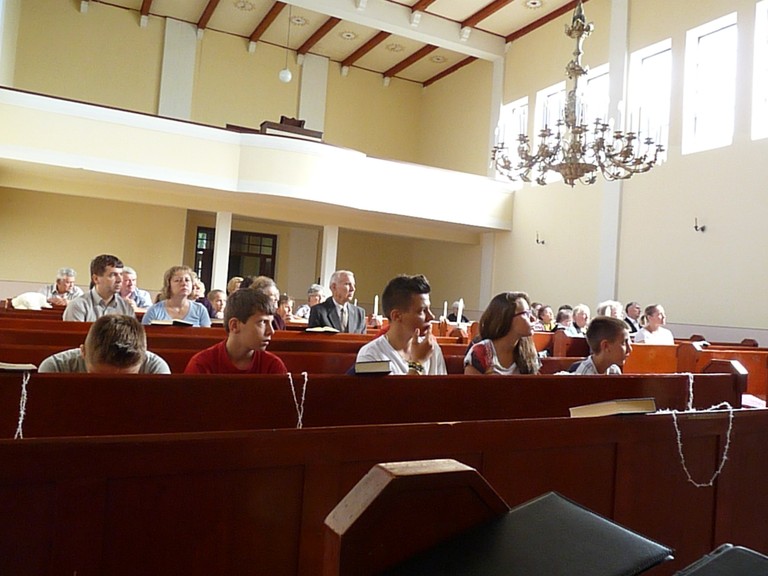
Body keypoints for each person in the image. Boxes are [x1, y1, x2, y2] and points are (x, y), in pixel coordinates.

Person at [356, 274, 446, 374]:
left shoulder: (431, 348)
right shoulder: (371, 355)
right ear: (396, 316)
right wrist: (417, 363)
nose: (431, 316)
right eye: (422, 311)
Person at [184, 288, 287, 374]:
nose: (271, 331)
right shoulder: (202, 365)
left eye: (271, 322)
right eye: (262, 322)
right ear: (234, 325)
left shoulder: (273, 366)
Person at [39, 314, 170, 373]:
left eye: (126, 381)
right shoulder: (55, 368)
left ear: (143, 358)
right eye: (99, 378)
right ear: (83, 352)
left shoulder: (155, 368)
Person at [464, 291, 540, 375]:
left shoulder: (527, 349)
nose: (533, 318)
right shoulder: (481, 352)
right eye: (526, 313)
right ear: (506, 318)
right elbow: (471, 383)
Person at [63, 254, 135, 321]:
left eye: (121, 274)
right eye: (113, 275)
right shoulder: (78, 306)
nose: (119, 280)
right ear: (96, 279)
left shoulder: (126, 308)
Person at [142, 265, 212, 327]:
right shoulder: (154, 310)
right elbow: (144, 334)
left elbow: (207, 335)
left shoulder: (200, 310)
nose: (184, 283)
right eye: (178, 280)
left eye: (187, 280)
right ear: (168, 285)